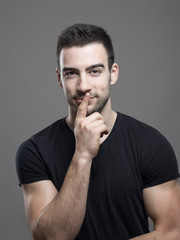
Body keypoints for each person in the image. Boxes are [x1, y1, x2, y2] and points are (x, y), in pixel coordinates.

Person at [16, 24, 180, 240]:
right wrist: (82, 155)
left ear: (113, 74)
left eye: (94, 71)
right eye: (72, 73)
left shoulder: (150, 144)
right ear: (59, 79)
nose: (83, 85)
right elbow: (53, 237)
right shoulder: (34, 152)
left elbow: (171, 232)